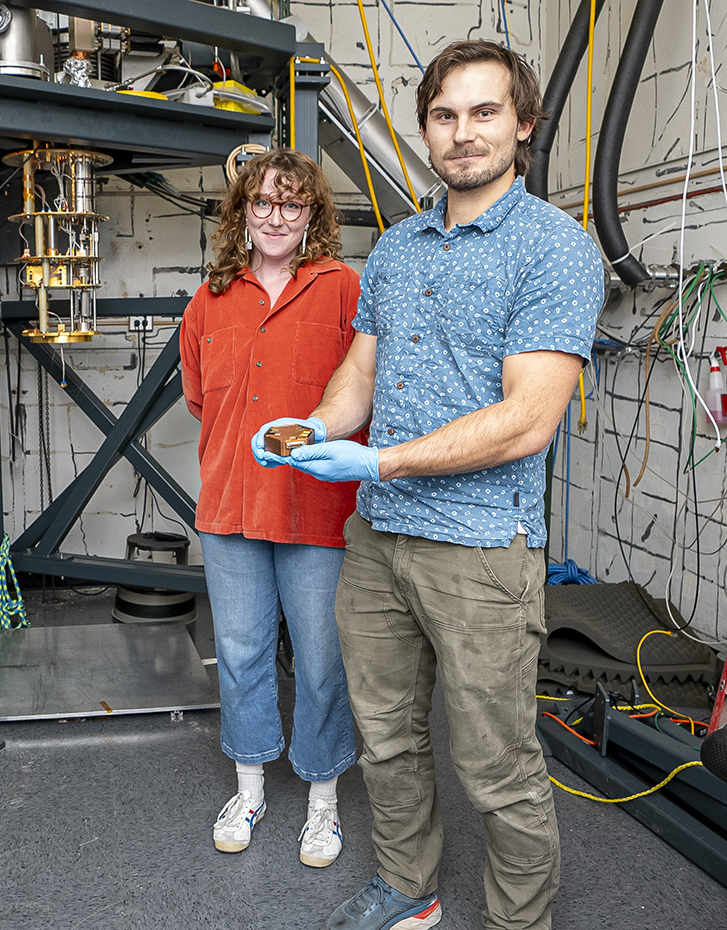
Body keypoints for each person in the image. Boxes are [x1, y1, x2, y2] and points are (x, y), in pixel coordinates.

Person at [254, 41, 604, 930]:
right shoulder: (401, 247)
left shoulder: (555, 249)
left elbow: (530, 416)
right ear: (427, 129)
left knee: (494, 761)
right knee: (387, 737)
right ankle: (410, 888)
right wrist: (316, 428)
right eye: (445, 116)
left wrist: (384, 460)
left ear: (523, 124)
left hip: (482, 547)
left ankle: (520, 920)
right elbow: (360, 375)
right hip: (378, 542)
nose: (463, 134)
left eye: (485, 113)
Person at [181, 148, 363, 869]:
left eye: (292, 204)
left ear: (313, 214)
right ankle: (250, 787)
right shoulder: (210, 299)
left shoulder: (345, 288)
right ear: (242, 213)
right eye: (263, 203)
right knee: (243, 655)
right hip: (230, 504)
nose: (276, 217)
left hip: (317, 509)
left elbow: (365, 391)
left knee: (321, 661)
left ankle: (323, 804)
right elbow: (200, 398)